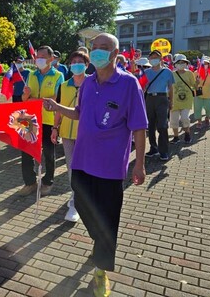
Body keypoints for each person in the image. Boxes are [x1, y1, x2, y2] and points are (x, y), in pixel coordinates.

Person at [43, 33, 147, 297]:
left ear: (114, 53)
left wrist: (140, 165)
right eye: (94, 48)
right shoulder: (88, 83)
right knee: (81, 204)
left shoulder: (128, 84)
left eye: (104, 48)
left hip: (110, 166)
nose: (98, 52)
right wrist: (57, 107)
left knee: (107, 218)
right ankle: (99, 242)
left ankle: (101, 271)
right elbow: (78, 113)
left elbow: (139, 127)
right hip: (82, 159)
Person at [18, 45, 64, 197]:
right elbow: (24, 99)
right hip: (30, 119)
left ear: (51, 59)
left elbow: (55, 99)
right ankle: (30, 182)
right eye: (37, 57)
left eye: (43, 57)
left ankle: (48, 181)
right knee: (26, 151)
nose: (39, 59)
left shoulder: (58, 75)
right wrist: (26, 97)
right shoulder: (31, 75)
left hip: (49, 120)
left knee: (49, 153)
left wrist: (34, 99)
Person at [51, 50, 90, 223]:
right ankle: (75, 202)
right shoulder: (64, 85)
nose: (76, 64)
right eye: (73, 61)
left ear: (87, 65)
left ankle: (83, 197)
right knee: (72, 168)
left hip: (88, 134)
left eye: (79, 61)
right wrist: (55, 128)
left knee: (86, 169)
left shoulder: (93, 83)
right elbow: (59, 108)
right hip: (67, 133)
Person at [144, 50, 174, 161]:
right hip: (150, 98)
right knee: (150, 125)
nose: (153, 59)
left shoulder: (167, 72)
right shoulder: (146, 72)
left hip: (162, 99)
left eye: (156, 57)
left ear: (161, 59)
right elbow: (142, 86)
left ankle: (164, 151)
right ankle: (153, 147)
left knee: (162, 125)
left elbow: (171, 88)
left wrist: (171, 101)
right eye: (151, 57)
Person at [170, 54, 196, 144]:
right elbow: (169, 87)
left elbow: (194, 85)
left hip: (187, 99)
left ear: (186, 63)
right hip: (174, 101)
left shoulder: (189, 73)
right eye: (179, 62)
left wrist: (198, 83)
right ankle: (176, 137)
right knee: (174, 120)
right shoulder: (172, 74)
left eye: (183, 62)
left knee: (185, 118)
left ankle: (187, 134)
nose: (181, 64)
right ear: (175, 64)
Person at [194, 56, 210, 128]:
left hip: (209, 95)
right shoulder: (196, 72)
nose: (205, 65)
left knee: (209, 108)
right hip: (198, 94)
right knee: (197, 108)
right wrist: (196, 82)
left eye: (207, 63)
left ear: (209, 64)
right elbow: (193, 85)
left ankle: (207, 118)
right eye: (204, 63)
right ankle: (199, 121)